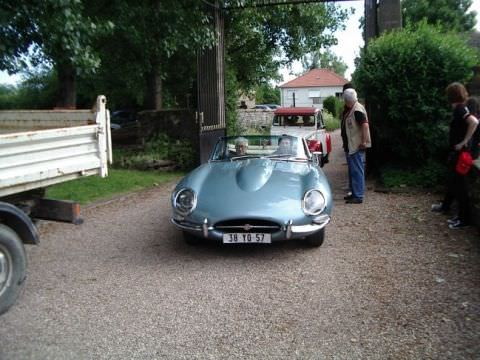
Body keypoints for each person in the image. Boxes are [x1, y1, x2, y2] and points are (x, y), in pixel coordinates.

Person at [431, 83, 479, 229]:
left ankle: (464, 220)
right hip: (458, 151)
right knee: (454, 181)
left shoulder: (460, 108)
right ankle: (449, 209)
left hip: (461, 152)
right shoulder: (460, 108)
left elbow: (474, 122)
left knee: (460, 186)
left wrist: (464, 142)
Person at [342, 88, 371, 204]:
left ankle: (358, 196)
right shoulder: (353, 108)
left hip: (357, 146)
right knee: (353, 171)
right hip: (352, 146)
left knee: (357, 171)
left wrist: (364, 142)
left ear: (346, 100)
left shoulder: (357, 110)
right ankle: (354, 193)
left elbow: (365, 125)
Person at [341, 83, 355, 199]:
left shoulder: (353, 108)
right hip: (347, 144)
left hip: (351, 144)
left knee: (353, 168)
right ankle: (352, 188)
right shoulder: (347, 108)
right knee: (351, 168)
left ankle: (353, 190)